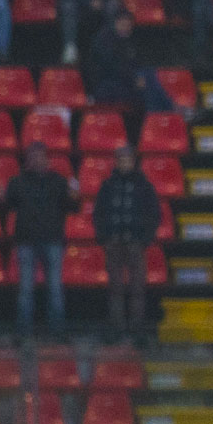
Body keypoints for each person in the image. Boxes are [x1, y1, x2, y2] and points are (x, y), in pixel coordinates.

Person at [2, 144, 79, 342]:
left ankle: (57, 331)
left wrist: (74, 196)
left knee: (55, 288)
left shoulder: (59, 181)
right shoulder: (17, 182)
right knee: (26, 289)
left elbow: (72, 207)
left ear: (47, 159)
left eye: (40, 156)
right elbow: (8, 206)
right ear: (27, 161)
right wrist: (0, 198)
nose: (36, 160)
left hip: (52, 240)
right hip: (26, 241)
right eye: (33, 157)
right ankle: (23, 331)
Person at [93, 145, 162, 347]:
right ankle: (116, 329)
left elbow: (154, 214)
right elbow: (98, 214)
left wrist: (145, 240)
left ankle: (137, 330)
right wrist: (104, 238)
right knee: (115, 289)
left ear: (133, 162)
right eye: (121, 160)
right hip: (114, 243)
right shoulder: (107, 186)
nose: (124, 163)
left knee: (137, 289)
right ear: (116, 162)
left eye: (127, 160)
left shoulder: (144, 186)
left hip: (135, 244)